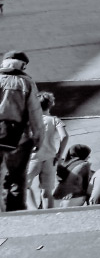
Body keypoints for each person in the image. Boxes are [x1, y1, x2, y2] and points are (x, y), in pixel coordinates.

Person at [0, 51, 42, 212]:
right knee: (16, 176)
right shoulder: (26, 82)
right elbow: (35, 113)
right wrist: (38, 137)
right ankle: (15, 212)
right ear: (23, 65)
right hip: (16, 137)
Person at [25, 91, 68, 208]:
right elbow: (64, 136)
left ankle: (34, 211)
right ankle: (48, 214)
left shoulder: (30, 120)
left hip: (34, 157)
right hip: (50, 158)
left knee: (25, 186)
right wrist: (59, 154)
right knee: (47, 192)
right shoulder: (54, 120)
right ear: (51, 104)